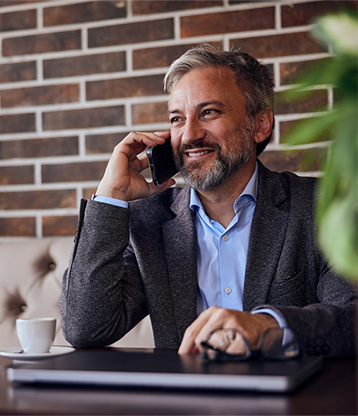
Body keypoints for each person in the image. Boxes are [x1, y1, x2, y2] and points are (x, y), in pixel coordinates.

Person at [60, 44, 356, 357]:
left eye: (209, 112)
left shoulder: (321, 207)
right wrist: (110, 198)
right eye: (176, 119)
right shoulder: (148, 221)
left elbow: (352, 317)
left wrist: (270, 325)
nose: (189, 135)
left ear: (261, 124)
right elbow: (86, 328)